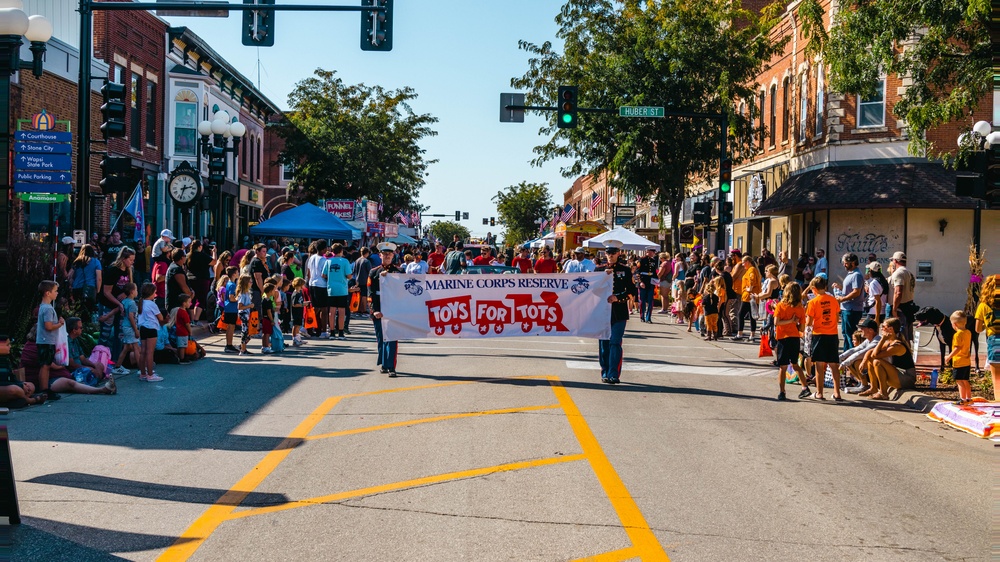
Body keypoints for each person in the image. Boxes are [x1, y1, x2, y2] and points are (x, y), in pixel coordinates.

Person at [598, 240, 636, 384]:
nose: (610, 255)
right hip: (602, 312)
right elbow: (591, 291)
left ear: (619, 253)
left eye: (613, 253)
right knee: (604, 344)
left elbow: (632, 292)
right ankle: (605, 371)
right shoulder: (599, 270)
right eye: (608, 253)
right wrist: (602, 277)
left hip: (619, 312)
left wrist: (618, 298)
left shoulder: (625, 270)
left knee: (615, 342)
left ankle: (614, 374)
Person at [804, 276, 843, 401]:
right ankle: (837, 393)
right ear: (825, 287)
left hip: (819, 334)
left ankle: (819, 393)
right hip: (832, 334)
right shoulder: (833, 300)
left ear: (814, 289)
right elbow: (837, 318)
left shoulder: (813, 302)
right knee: (833, 364)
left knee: (819, 365)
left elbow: (809, 322)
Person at [773, 282, 810, 400]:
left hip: (783, 338)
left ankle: (782, 391)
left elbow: (776, 322)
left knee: (782, 366)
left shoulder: (781, 305)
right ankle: (805, 387)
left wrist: (789, 321)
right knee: (795, 364)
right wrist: (795, 322)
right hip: (795, 337)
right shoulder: (800, 308)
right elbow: (802, 328)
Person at [862, 317, 914, 400]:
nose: (881, 329)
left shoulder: (897, 345)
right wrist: (864, 361)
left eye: (883, 327)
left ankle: (883, 393)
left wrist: (882, 339)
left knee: (877, 362)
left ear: (890, 329)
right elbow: (871, 352)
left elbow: (875, 356)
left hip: (907, 378)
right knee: (871, 361)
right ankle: (873, 388)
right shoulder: (889, 342)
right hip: (897, 374)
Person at [370, 242, 400, 376]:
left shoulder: (399, 272)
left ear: (393, 256)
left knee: (392, 338)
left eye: (389, 254)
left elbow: (403, 292)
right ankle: (383, 363)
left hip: (393, 309)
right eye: (385, 254)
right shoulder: (373, 272)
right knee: (381, 339)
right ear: (380, 255)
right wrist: (374, 310)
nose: (387, 256)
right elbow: (370, 294)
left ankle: (391, 367)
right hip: (379, 308)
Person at [832, 253, 865, 351]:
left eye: (846, 263)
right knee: (846, 334)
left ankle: (851, 357)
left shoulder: (857, 275)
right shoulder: (851, 274)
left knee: (850, 335)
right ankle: (846, 355)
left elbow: (856, 292)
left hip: (852, 309)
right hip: (847, 308)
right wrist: (840, 288)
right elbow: (851, 290)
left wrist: (843, 299)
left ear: (853, 263)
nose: (844, 265)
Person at [974, 274, 999, 401]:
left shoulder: (983, 305)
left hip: (994, 341)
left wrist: (988, 324)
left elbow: (977, 329)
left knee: (997, 378)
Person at [842, 318, 882, 394]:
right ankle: (862, 383)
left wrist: (843, 364)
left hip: (880, 370)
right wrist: (840, 358)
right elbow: (854, 350)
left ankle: (866, 385)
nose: (861, 330)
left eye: (863, 328)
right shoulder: (868, 340)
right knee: (851, 360)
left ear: (870, 330)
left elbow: (861, 353)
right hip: (873, 369)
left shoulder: (876, 341)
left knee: (857, 361)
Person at [323, 243, 353, 340]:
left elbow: (323, 275)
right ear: (341, 251)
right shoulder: (345, 261)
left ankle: (331, 332)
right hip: (342, 289)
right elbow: (349, 275)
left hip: (331, 288)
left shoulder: (328, 261)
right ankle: (340, 332)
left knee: (331, 311)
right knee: (341, 311)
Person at [136, 282, 165, 382]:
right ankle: (150, 374)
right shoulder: (152, 304)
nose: (155, 295)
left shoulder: (141, 303)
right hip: (151, 328)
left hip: (143, 328)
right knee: (150, 352)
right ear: (151, 293)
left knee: (143, 351)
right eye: (154, 293)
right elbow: (160, 317)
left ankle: (142, 373)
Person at [944, 310, 973, 404]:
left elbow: (957, 348)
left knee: (959, 381)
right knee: (965, 380)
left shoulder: (957, 335)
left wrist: (949, 357)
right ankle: (969, 398)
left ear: (955, 324)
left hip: (959, 361)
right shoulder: (968, 332)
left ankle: (962, 399)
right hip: (967, 360)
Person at [888, 251, 916, 342]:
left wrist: (894, 309)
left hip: (901, 308)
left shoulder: (898, 273)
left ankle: (903, 354)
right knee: (907, 336)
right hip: (909, 306)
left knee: (900, 336)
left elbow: (898, 292)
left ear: (895, 261)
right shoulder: (909, 273)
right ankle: (908, 353)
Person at [113, 282, 140, 376]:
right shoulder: (132, 303)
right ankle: (140, 368)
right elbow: (131, 317)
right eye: (136, 290)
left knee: (126, 347)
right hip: (130, 327)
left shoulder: (124, 301)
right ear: (132, 292)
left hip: (125, 326)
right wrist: (136, 329)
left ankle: (117, 366)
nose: (137, 291)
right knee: (136, 347)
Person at [69, 244, 102, 320]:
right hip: (90, 288)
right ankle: (87, 328)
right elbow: (99, 278)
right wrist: (98, 290)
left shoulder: (77, 262)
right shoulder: (96, 262)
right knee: (88, 311)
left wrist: (72, 284)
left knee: (78, 310)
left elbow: (69, 276)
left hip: (77, 288)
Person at [186, 240, 216, 324]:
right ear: (200, 247)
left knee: (192, 299)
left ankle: (191, 320)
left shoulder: (188, 256)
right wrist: (214, 253)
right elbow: (214, 262)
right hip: (202, 279)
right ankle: (196, 319)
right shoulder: (202, 255)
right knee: (201, 300)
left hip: (190, 279)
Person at [305, 241, 330, 338]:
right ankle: (323, 331)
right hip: (321, 285)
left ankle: (309, 327)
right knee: (323, 309)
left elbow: (308, 272)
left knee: (315, 307)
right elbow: (325, 275)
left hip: (312, 283)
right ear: (324, 249)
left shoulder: (311, 257)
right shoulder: (324, 260)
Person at [734, 255, 760, 341]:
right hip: (751, 296)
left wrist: (750, 288)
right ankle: (751, 335)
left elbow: (752, 279)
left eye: (744, 263)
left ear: (748, 262)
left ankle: (740, 334)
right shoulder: (751, 269)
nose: (743, 264)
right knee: (752, 315)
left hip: (748, 296)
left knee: (741, 314)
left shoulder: (751, 269)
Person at [218, 267, 240, 353]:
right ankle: (229, 345)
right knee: (231, 327)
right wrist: (239, 298)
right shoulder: (232, 285)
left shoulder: (229, 283)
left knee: (230, 327)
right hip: (231, 308)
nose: (238, 273)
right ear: (234, 274)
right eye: (237, 272)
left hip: (229, 308)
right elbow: (231, 298)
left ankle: (229, 344)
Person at [165, 249, 194, 315]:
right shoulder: (176, 269)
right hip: (175, 304)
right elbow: (184, 287)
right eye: (184, 256)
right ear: (181, 258)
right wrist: (191, 294)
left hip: (175, 303)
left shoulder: (173, 266)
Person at [636, 248, 658, 323]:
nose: (653, 253)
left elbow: (654, 272)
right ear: (647, 252)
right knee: (642, 300)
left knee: (650, 301)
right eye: (651, 252)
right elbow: (638, 272)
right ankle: (642, 316)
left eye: (653, 252)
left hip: (650, 282)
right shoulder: (641, 260)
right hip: (643, 281)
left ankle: (648, 317)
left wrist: (657, 281)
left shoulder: (653, 261)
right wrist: (640, 282)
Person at [235, 274, 255, 356]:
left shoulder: (247, 293)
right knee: (245, 331)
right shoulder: (243, 294)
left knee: (250, 332)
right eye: (250, 282)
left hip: (247, 314)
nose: (251, 283)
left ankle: (242, 346)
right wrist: (249, 306)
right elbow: (240, 306)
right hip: (243, 314)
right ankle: (243, 350)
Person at [173, 294, 193, 363]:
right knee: (182, 346)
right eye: (189, 302)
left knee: (180, 345)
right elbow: (187, 324)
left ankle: (180, 356)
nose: (190, 304)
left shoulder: (179, 310)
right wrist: (190, 331)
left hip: (179, 330)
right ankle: (182, 358)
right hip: (183, 332)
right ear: (184, 303)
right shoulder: (184, 313)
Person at [291, 278, 307, 347]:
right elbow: (294, 304)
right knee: (295, 325)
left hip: (300, 311)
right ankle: (294, 339)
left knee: (298, 325)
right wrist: (303, 304)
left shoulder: (300, 293)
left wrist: (304, 303)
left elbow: (300, 302)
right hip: (296, 312)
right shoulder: (295, 294)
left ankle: (298, 338)